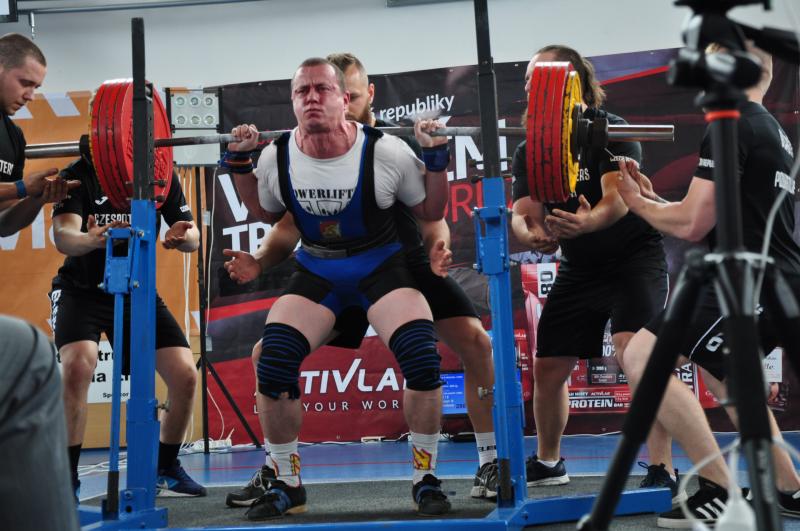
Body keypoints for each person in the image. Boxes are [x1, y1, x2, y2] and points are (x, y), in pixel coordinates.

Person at [223, 52, 498, 509]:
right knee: (271, 358)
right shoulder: (279, 155)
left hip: (394, 267)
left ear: (350, 98)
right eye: (303, 91)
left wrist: (435, 161)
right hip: (321, 270)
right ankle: (283, 476)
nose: (314, 98)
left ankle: (443, 473)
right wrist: (239, 168)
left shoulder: (387, 149)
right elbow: (275, 218)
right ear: (292, 101)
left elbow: (432, 214)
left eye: (326, 90)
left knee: (441, 352)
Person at [616, 43, 800, 528]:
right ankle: (791, 488)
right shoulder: (769, 128)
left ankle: (721, 489)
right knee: (728, 379)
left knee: (641, 357)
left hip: (745, 281)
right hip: (772, 279)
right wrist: (655, 201)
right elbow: (714, 213)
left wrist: (636, 204)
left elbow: (692, 224)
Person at [509, 44, 670, 493]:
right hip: (580, 266)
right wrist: (531, 234)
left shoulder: (612, 131)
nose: (531, 87)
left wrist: (586, 222)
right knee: (548, 366)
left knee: (637, 355)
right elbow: (523, 211)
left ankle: (662, 467)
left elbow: (618, 197)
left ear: (572, 83)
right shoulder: (530, 149)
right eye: (528, 79)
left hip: (633, 258)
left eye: (541, 77)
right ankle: (549, 462)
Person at [49, 152, 206, 498]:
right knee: (78, 366)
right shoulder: (79, 174)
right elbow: (63, 235)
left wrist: (183, 237)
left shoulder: (159, 174)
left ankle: (165, 468)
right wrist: (92, 240)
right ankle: (65, 481)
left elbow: (193, 235)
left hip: (137, 290)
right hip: (81, 292)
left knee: (185, 375)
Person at [0, 33, 77, 235]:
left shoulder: (14, 137)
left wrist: (38, 198)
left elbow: (4, 224)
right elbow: (19, 188)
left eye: (35, 87)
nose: (31, 96)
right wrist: (21, 188)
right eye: (25, 83)